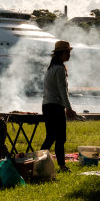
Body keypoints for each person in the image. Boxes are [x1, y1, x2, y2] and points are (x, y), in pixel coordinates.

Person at [40, 40, 77, 173]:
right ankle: (60, 165)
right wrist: (68, 108)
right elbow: (63, 91)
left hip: (47, 105)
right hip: (55, 106)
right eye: (67, 52)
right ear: (62, 53)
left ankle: (38, 161)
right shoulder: (60, 69)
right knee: (60, 138)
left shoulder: (51, 68)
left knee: (51, 136)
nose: (69, 55)